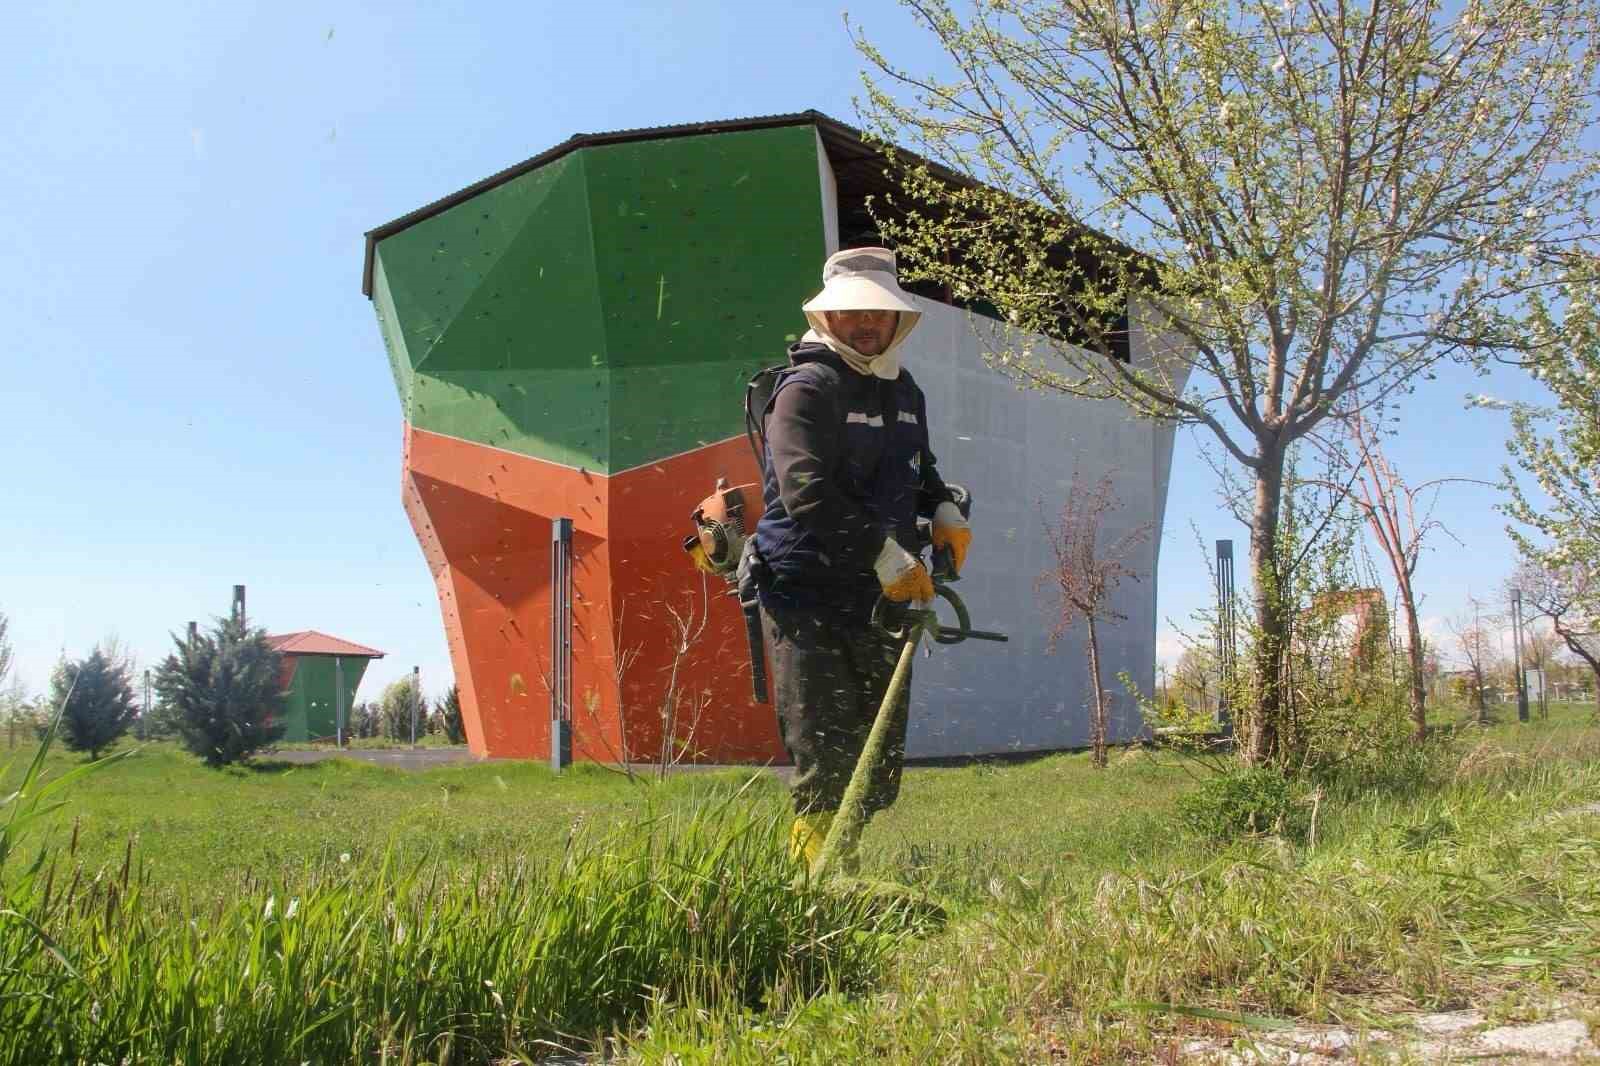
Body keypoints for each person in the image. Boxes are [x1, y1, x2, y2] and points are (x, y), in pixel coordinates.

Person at [749, 246, 971, 869]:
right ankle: (811, 890)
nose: (865, 323)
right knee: (824, 751)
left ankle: (844, 866)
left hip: (883, 595)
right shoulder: (805, 389)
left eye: (877, 312)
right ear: (828, 318)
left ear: (897, 320)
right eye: (851, 312)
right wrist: (883, 552)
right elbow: (804, 492)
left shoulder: (906, 391)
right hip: (806, 593)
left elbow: (918, 466)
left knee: (877, 757)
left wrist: (944, 507)